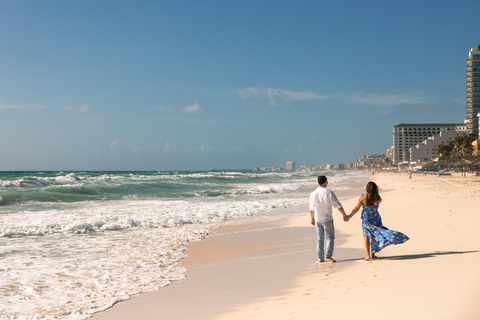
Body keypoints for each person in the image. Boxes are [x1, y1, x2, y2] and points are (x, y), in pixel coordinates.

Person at [347, 181, 409, 261]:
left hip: (367, 219)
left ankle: (367, 255)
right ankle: (372, 254)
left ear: (367, 188)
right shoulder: (377, 198)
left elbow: (356, 208)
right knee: (374, 235)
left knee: (366, 237)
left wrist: (350, 216)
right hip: (376, 218)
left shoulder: (363, 197)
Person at [309, 175, 349, 263]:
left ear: (318, 182)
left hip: (318, 219)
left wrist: (312, 219)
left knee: (320, 239)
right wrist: (344, 215)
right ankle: (328, 255)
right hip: (327, 219)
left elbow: (311, 208)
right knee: (330, 237)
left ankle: (320, 258)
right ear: (325, 182)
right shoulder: (328, 192)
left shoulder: (313, 193)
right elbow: (337, 204)